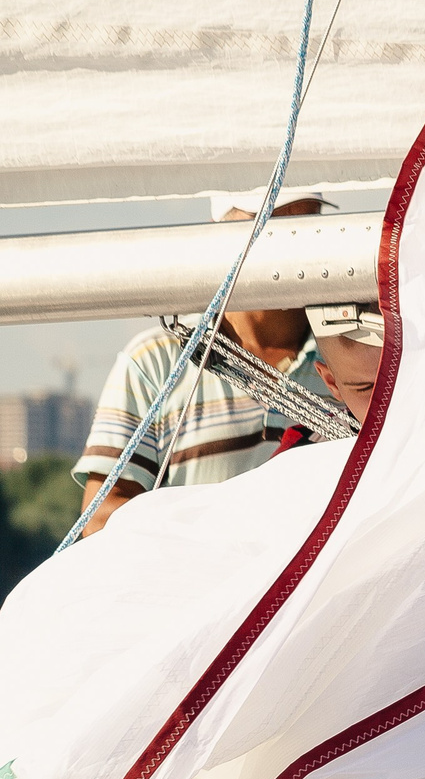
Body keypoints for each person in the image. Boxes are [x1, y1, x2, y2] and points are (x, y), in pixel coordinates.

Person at [74, 192, 336, 534]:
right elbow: (100, 520)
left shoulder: (358, 354)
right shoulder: (154, 362)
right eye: (271, 224)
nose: (295, 241)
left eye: (309, 223)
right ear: (217, 233)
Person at [271, 305, 384, 453]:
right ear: (332, 382)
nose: (389, 400)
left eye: (405, 377)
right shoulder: (304, 454)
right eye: (366, 388)